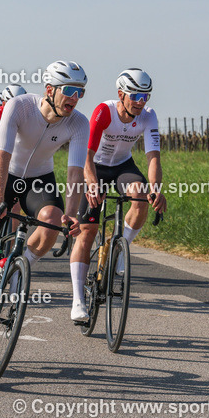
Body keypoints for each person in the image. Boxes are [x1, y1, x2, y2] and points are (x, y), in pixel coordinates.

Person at [0, 61, 89, 349]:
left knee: (53, 220)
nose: (74, 98)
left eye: (80, 92)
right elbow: (2, 155)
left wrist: (71, 214)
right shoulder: (20, 107)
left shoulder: (78, 123)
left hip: (39, 180)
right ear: (49, 90)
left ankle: (17, 269)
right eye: (69, 90)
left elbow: (75, 173)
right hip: (5, 175)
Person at [69, 68, 168, 323]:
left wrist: (156, 189)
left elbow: (153, 157)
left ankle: (120, 248)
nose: (140, 102)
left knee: (140, 196)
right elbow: (87, 156)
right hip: (96, 167)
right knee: (87, 232)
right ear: (121, 94)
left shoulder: (148, 116)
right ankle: (78, 301)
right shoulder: (104, 111)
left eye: (145, 96)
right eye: (135, 96)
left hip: (123, 166)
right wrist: (92, 186)